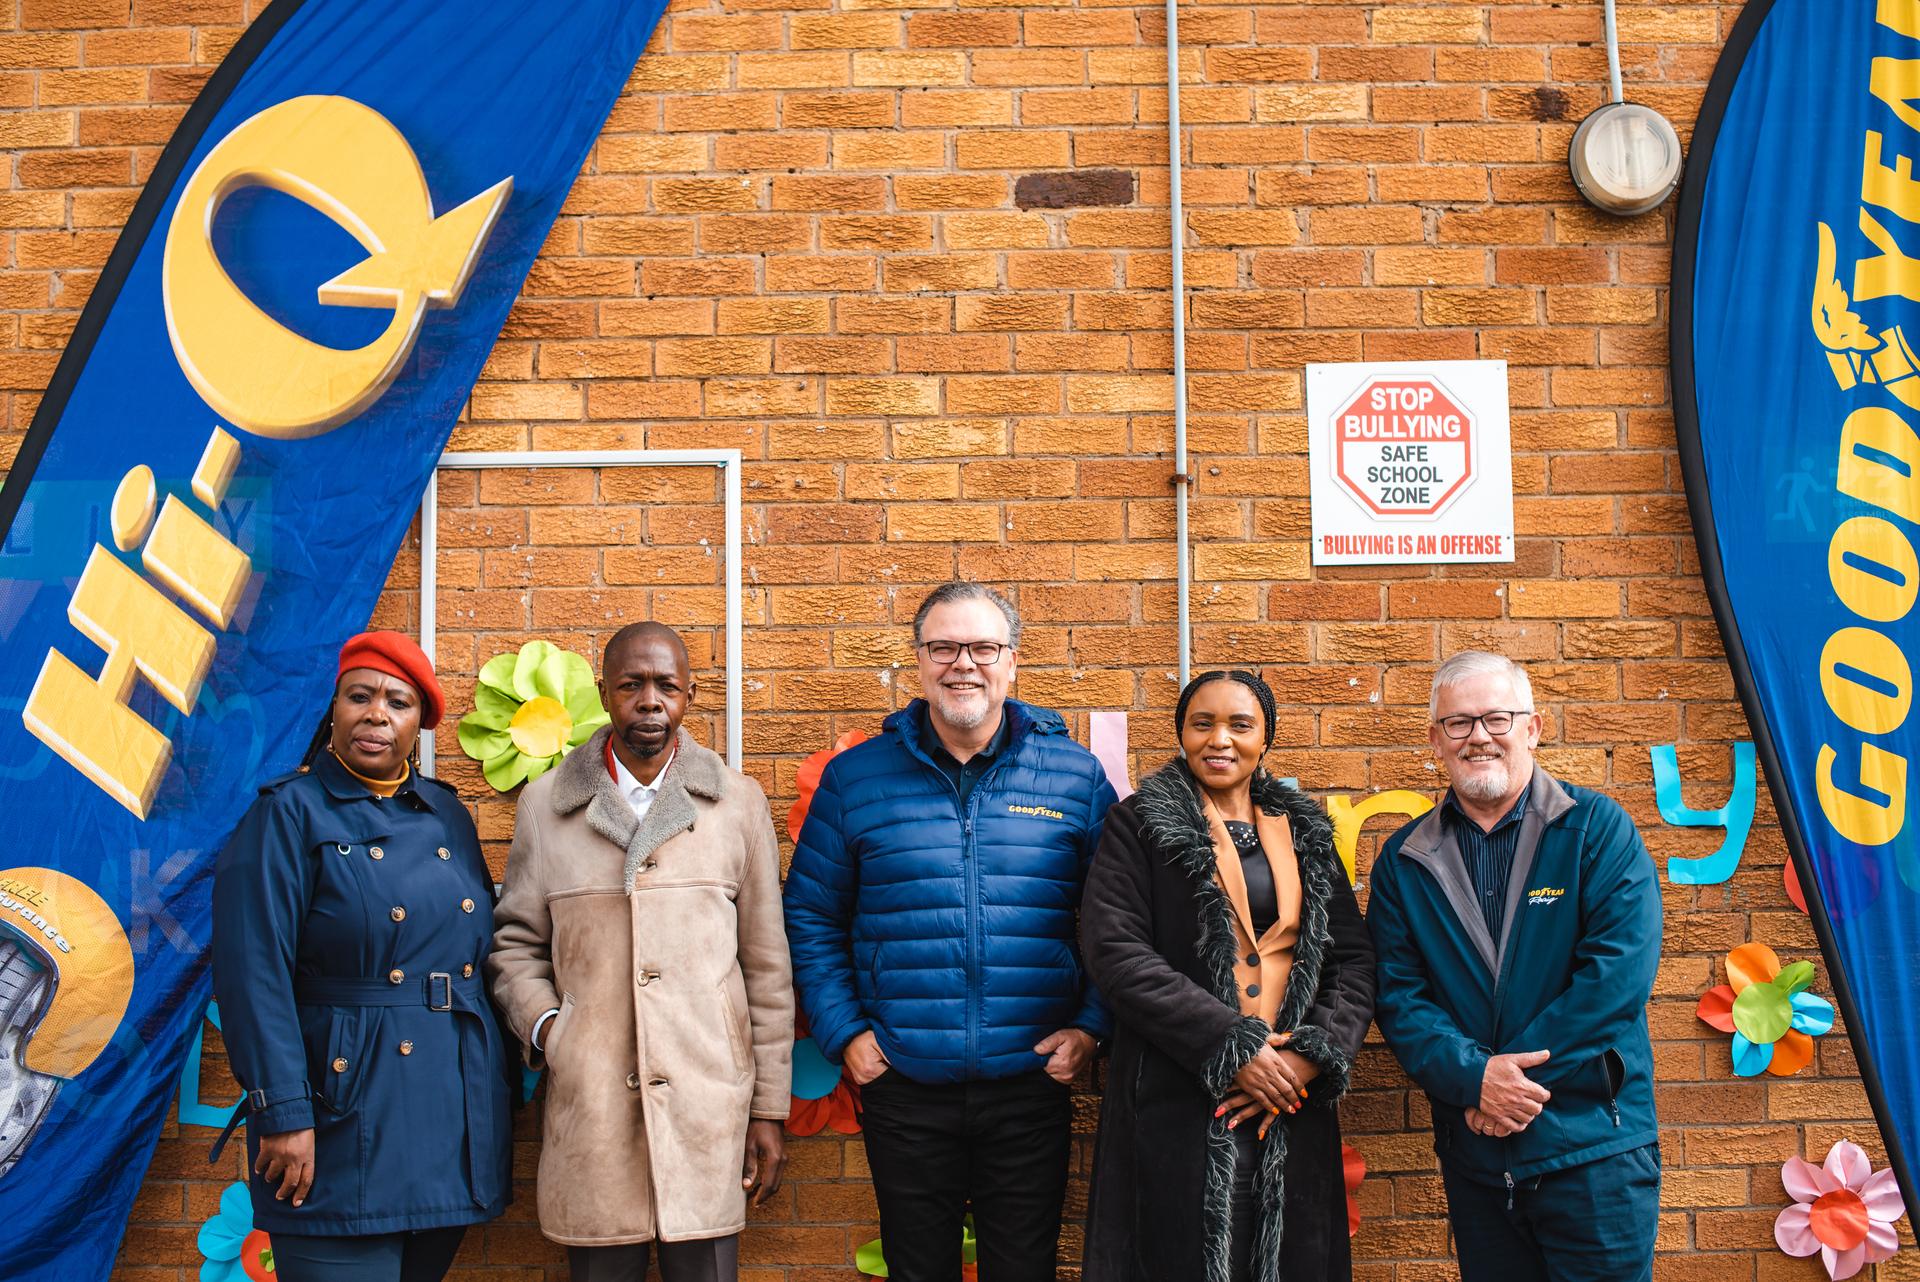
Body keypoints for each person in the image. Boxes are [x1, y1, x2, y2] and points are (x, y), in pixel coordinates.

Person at [783, 582, 1115, 1282]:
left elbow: (1120, 919)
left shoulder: (1075, 779)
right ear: (920, 661)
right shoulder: (854, 780)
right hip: (904, 1081)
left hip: (1031, 1080)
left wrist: (1090, 1027)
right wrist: (845, 1033)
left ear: (1013, 661)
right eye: (944, 647)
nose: (963, 663)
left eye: (983, 648)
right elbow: (811, 914)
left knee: (1023, 1269)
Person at [490, 621, 791, 1282]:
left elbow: (767, 968)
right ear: (604, 693)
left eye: (666, 686)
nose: (649, 701)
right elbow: (514, 946)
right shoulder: (547, 808)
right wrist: (552, 1030)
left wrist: (768, 1109)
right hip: (592, 1111)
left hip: (707, 1112)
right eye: (631, 685)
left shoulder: (736, 805)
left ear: (690, 694)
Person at [210, 631, 513, 1282]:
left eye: (398, 702)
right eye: (361, 696)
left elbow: (482, 954)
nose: (377, 713)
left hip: (447, 1116)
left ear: (417, 724)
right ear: (334, 710)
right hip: (338, 1117)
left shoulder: (446, 818)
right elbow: (252, 977)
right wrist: (283, 1115)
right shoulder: (286, 815)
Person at [1368, 650, 1663, 1282]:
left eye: (1497, 718)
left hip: (1593, 1149)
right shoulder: (1404, 859)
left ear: (1531, 727)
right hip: (1479, 1162)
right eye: (1459, 723)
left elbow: (1616, 979)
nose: (1479, 736)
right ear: (1435, 741)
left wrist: (1503, 1088)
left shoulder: (1595, 830)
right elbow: (1398, 996)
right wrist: (1474, 1080)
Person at [1079, 670, 1375, 1282]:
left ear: (1265, 738)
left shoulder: (1307, 832)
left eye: (1240, 725)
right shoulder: (1139, 825)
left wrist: (1307, 1059)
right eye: (1201, 723)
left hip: (1290, 1098)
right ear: (1181, 733)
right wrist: (1228, 1046)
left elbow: (1352, 961)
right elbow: (1117, 952)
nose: (1220, 739)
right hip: (1175, 1093)